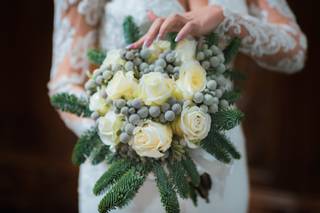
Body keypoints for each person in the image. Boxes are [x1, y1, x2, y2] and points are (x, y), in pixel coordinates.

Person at [48, 0, 307, 212]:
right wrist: (124, 133)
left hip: (218, 153)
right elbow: (64, 82)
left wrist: (225, 19)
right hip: (128, 164)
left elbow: (294, 53)